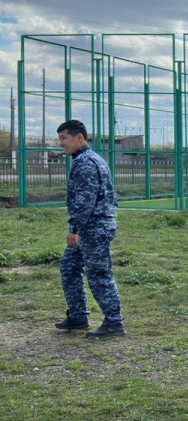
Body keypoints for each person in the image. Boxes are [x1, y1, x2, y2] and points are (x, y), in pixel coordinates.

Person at [55, 120, 126, 338]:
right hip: (91, 226)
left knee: (98, 273)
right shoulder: (88, 159)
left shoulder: (85, 163)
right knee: (69, 266)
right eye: (60, 139)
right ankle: (78, 315)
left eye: (64, 138)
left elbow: (86, 201)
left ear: (79, 138)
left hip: (92, 227)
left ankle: (114, 322)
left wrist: (74, 229)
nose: (61, 144)